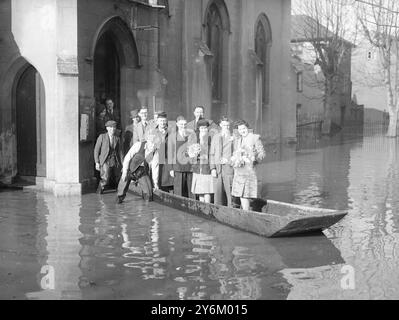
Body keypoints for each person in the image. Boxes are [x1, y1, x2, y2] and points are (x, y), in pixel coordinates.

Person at [231, 120, 266, 211]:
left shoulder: (255, 138)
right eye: (240, 129)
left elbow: (262, 153)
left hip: (249, 170)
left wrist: (255, 160)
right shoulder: (238, 140)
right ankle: (245, 212)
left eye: (244, 128)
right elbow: (236, 153)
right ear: (238, 130)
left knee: (247, 193)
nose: (242, 131)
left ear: (247, 128)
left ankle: (249, 212)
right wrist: (235, 159)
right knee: (241, 194)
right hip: (239, 171)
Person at [117, 135, 160, 203]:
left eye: (155, 144)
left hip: (141, 172)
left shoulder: (155, 153)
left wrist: (155, 183)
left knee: (149, 193)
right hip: (129, 169)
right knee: (121, 190)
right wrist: (124, 172)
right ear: (147, 141)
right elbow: (127, 158)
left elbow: (155, 169)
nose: (153, 146)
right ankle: (119, 200)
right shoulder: (138, 145)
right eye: (151, 143)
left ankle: (146, 206)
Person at [210, 116, 234, 207]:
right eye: (224, 125)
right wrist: (212, 168)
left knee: (230, 193)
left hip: (229, 169)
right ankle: (218, 211)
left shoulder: (233, 137)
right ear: (220, 125)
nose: (226, 127)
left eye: (228, 125)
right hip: (217, 169)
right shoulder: (215, 137)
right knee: (218, 193)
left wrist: (228, 161)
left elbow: (237, 153)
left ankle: (232, 211)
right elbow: (211, 154)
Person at [188, 119, 214, 203]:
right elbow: (188, 151)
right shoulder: (194, 138)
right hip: (197, 167)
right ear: (198, 129)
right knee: (200, 191)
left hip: (207, 168)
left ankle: (208, 206)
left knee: (207, 190)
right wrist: (193, 153)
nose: (203, 130)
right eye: (201, 128)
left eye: (205, 128)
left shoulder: (211, 138)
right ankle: (202, 206)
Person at [94, 120, 123, 194]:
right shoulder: (102, 137)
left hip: (114, 159)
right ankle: (99, 192)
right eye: (110, 127)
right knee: (105, 177)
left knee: (117, 176)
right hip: (105, 160)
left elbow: (120, 152)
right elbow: (96, 150)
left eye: (114, 127)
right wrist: (97, 162)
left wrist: (122, 163)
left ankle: (118, 193)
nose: (112, 129)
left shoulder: (117, 138)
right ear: (107, 128)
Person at [170, 116, 195, 198]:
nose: (183, 126)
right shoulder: (172, 136)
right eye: (181, 124)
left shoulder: (191, 135)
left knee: (191, 191)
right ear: (177, 124)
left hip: (189, 166)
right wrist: (171, 168)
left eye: (185, 124)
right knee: (178, 191)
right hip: (178, 167)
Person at [151, 112, 174, 192]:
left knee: (169, 179)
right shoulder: (153, 132)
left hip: (168, 157)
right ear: (157, 121)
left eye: (164, 121)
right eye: (161, 121)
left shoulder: (171, 131)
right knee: (159, 176)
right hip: (158, 156)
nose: (162, 123)